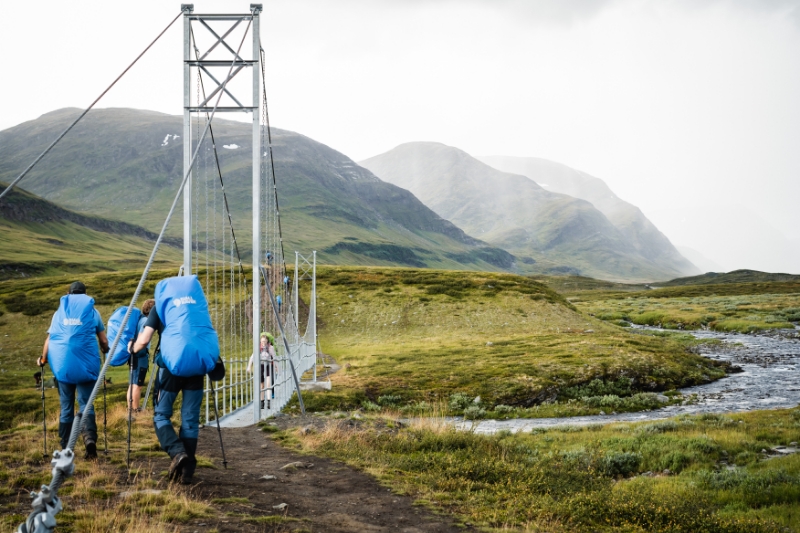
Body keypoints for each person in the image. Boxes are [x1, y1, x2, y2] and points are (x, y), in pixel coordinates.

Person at [129, 276, 224, 484]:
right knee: (189, 419)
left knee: (161, 415)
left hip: (171, 369)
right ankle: (187, 471)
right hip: (197, 368)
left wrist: (132, 348)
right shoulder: (196, 306)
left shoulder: (160, 307)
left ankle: (177, 452)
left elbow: (144, 340)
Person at [38, 281, 109, 459]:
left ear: (68, 294)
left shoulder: (58, 314)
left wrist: (43, 359)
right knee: (86, 404)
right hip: (86, 366)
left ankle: (65, 448)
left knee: (66, 407)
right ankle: (90, 440)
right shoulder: (93, 312)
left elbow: (50, 339)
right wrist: (105, 350)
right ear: (85, 294)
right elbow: (103, 339)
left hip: (63, 366)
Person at [127, 299, 155, 411]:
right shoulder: (145, 322)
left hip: (134, 355)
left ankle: (130, 409)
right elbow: (141, 339)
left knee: (132, 383)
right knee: (137, 385)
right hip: (140, 355)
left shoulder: (140, 320)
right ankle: (136, 410)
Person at [247, 332, 276, 409]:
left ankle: (269, 402)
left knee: (268, 384)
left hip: (268, 366)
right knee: (261, 385)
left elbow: (275, 357)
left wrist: (277, 367)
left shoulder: (270, 348)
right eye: (262, 341)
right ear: (260, 341)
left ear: (267, 341)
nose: (263, 343)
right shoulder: (258, 348)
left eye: (265, 341)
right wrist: (249, 367)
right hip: (260, 366)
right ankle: (262, 402)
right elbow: (252, 357)